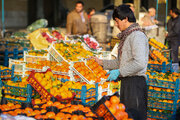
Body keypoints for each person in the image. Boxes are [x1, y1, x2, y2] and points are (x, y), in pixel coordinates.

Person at [92, 5, 149, 120]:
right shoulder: (127, 35)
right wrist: (102, 62)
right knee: (125, 116)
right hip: (126, 82)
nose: (116, 25)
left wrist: (119, 71)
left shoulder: (137, 36)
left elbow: (140, 63)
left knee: (135, 115)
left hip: (135, 84)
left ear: (126, 19)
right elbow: (121, 62)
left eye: (117, 21)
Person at [166, 8, 180, 72]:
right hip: (169, 39)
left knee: (174, 54)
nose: (170, 13)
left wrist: (168, 34)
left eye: (170, 12)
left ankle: (175, 70)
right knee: (169, 54)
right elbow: (167, 26)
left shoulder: (178, 21)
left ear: (174, 13)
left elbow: (176, 31)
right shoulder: (170, 19)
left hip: (175, 40)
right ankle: (169, 68)